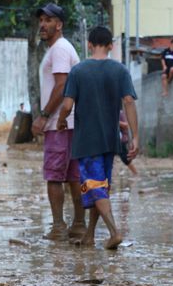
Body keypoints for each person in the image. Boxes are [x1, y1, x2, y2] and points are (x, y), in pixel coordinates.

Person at [58, 26, 139, 250]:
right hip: (110, 140)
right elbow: (129, 102)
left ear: (89, 45)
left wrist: (60, 120)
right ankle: (90, 236)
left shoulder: (78, 71)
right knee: (100, 187)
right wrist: (135, 137)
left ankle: (114, 232)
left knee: (95, 186)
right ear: (111, 46)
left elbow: (67, 104)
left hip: (87, 140)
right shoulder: (120, 70)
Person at [31, 3, 86, 241]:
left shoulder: (60, 49)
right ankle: (78, 225)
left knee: (54, 176)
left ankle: (58, 226)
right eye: (41, 20)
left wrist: (44, 115)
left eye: (48, 20)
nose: (43, 24)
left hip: (60, 122)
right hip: (70, 122)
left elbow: (62, 86)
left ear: (59, 25)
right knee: (73, 176)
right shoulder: (59, 48)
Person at [118, 110, 138, 175]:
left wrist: (116, 122)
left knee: (125, 158)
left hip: (122, 139)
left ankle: (136, 174)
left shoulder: (120, 113)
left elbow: (126, 125)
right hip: (113, 139)